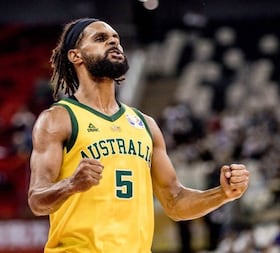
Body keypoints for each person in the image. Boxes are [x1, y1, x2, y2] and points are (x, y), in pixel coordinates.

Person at [27, 17, 250, 253]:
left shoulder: (146, 124)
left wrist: (222, 194)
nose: (113, 43)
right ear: (76, 56)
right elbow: (37, 200)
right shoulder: (58, 119)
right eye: (101, 39)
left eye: (116, 39)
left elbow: (174, 202)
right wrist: (71, 185)